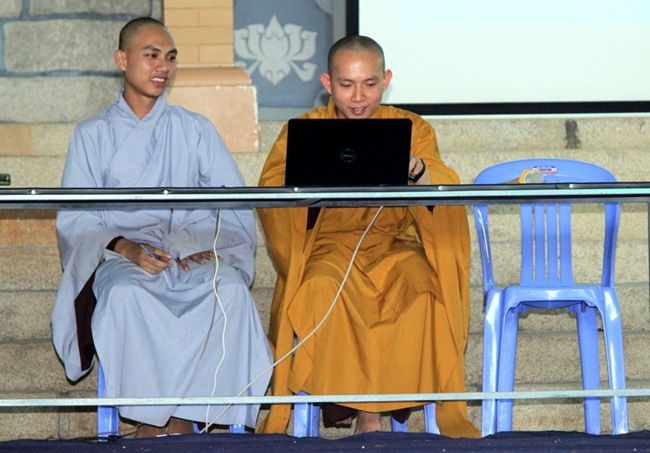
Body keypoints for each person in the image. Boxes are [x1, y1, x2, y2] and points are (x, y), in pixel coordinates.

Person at [51, 17, 272, 438]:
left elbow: (231, 202)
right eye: (151, 55)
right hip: (124, 258)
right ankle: (151, 418)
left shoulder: (195, 130)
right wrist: (125, 247)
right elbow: (77, 219)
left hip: (190, 254)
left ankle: (187, 415)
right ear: (122, 60)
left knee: (228, 290)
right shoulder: (91, 135)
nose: (162, 67)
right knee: (125, 295)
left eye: (170, 57)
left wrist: (212, 246)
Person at [257, 35, 479, 438]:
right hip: (327, 246)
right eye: (346, 85)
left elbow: (443, 186)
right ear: (327, 82)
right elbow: (272, 194)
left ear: (386, 80)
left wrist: (416, 170)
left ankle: (375, 410)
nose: (358, 96)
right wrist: (307, 187)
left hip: (392, 244)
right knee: (321, 286)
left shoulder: (411, 128)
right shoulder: (303, 131)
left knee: (422, 288)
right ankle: (361, 410)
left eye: (370, 84)